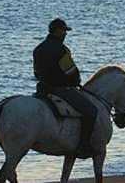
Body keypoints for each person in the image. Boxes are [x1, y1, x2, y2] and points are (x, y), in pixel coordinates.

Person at [33, 18, 97, 159]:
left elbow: (36, 73)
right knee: (91, 111)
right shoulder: (62, 50)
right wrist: (76, 81)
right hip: (61, 90)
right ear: (57, 31)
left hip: (42, 90)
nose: (65, 34)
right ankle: (84, 146)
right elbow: (71, 72)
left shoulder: (38, 49)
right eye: (64, 31)